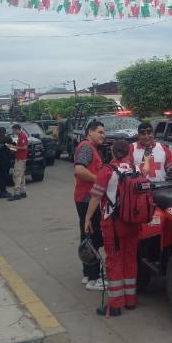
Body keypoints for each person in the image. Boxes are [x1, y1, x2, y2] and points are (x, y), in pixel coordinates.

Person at [85, 140, 143, 316]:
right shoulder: (136, 170)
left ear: (112, 151)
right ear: (128, 152)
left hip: (113, 224)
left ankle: (115, 305)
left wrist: (87, 219)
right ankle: (130, 300)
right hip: (133, 223)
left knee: (114, 261)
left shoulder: (107, 171)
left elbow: (95, 198)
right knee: (130, 259)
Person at [74, 121, 105, 291]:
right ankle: (94, 278)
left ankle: (88, 274)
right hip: (87, 200)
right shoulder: (86, 147)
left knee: (87, 237)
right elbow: (79, 170)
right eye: (100, 132)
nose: (103, 135)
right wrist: (99, 180)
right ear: (90, 132)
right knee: (93, 238)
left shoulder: (89, 147)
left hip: (84, 199)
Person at [7, 124, 29, 201]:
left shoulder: (22, 135)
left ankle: (17, 193)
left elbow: (24, 147)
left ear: (17, 129)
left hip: (20, 158)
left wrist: (13, 147)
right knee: (21, 175)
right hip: (21, 157)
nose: (13, 131)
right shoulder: (21, 135)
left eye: (13, 130)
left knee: (16, 175)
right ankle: (23, 192)